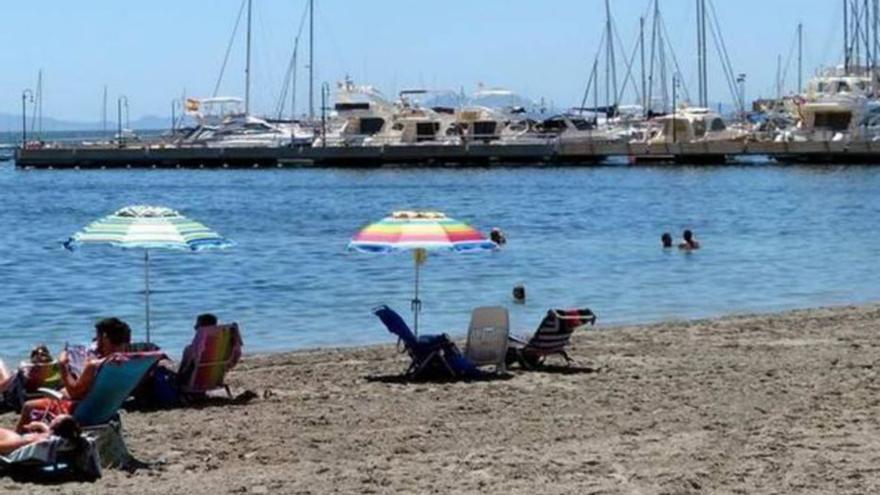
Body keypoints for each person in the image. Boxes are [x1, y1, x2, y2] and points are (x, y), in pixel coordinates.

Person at [16, 318, 131, 432]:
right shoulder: (129, 362)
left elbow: (74, 393)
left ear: (104, 337)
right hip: (107, 410)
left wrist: (62, 365)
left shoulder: (94, 365)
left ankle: (16, 443)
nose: (96, 342)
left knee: (28, 406)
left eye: (98, 337)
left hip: (83, 412)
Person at [0, 415, 82, 455]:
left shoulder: (37, 440)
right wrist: (40, 425)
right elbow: (49, 432)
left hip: (10, 442)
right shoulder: (55, 437)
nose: (52, 419)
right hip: (14, 438)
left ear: (56, 425)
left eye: (54, 419)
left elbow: (9, 446)